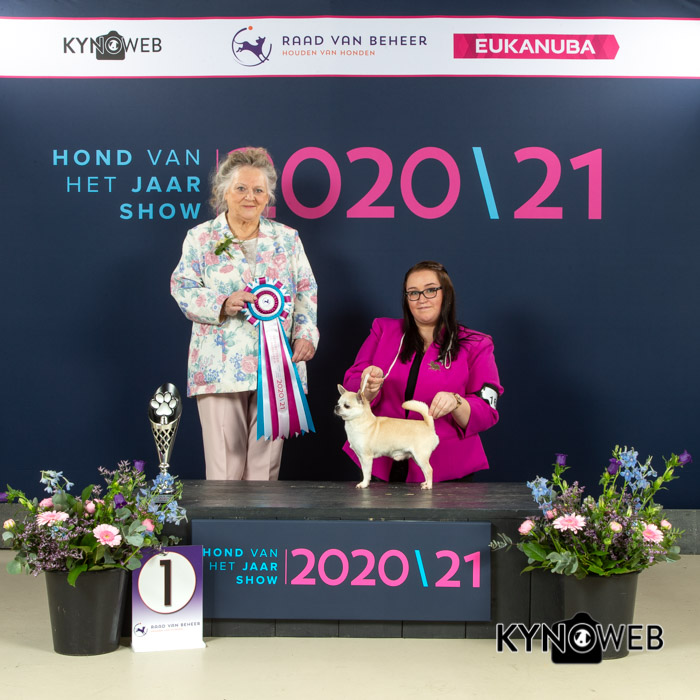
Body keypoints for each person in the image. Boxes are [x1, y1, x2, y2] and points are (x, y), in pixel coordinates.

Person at [171, 147, 319, 480]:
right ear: (223, 191)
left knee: (264, 474)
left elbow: (306, 290)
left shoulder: (288, 239)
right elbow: (182, 287)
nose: (250, 197)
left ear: (268, 197)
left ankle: (260, 520)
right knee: (225, 470)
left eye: (258, 190)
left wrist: (306, 335)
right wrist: (222, 303)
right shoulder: (200, 238)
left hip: (279, 368)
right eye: (241, 188)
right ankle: (223, 520)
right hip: (220, 368)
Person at [342, 260, 501, 484]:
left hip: (445, 467)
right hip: (381, 462)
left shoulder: (477, 344)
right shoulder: (383, 330)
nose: (421, 299)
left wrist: (456, 402)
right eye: (413, 293)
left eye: (430, 290)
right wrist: (366, 387)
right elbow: (351, 382)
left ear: (446, 294)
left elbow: (486, 411)